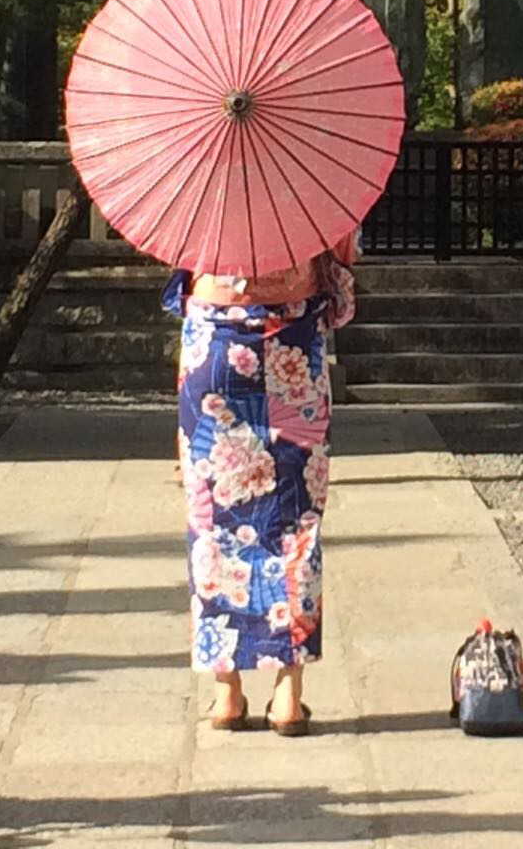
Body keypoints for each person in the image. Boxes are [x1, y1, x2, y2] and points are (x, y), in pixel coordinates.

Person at [163, 231, 357, 736]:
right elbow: (340, 271)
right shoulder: (309, 171)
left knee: (213, 516)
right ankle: (289, 697)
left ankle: (227, 693)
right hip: (290, 338)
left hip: (215, 339)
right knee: (297, 519)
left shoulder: (196, 169)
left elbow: (170, 245)